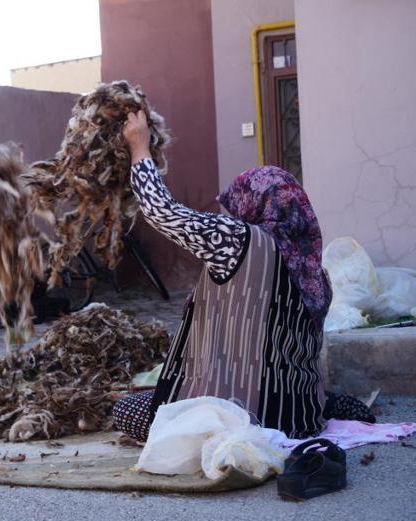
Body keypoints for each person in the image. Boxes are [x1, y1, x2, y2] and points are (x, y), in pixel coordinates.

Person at [113, 110, 372, 442]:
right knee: (321, 401)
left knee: (127, 409)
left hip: (240, 418)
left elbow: (165, 212)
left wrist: (139, 148)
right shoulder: (314, 273)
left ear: (253, 205)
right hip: (298, 414)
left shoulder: (240, 242)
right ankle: (316, 407)